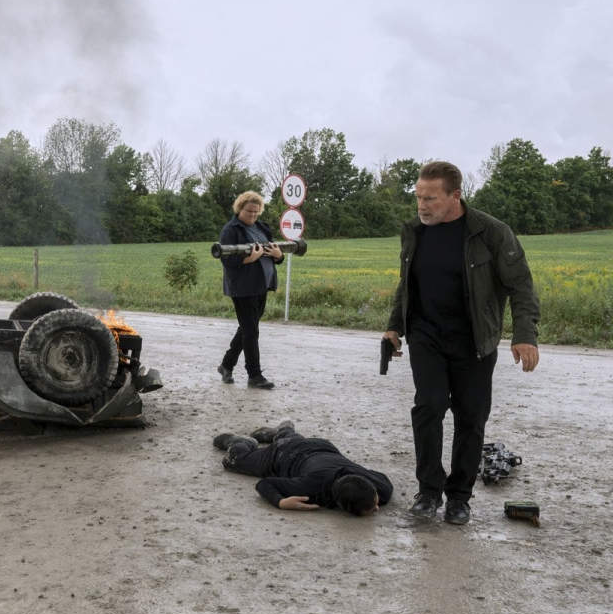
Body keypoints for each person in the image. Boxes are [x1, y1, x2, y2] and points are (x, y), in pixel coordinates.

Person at [383, 161, 540, 525]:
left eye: (431, 198)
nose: (422, 206)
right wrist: (394, 327)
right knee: (429, 406)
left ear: (456, 195)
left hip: (474, 339)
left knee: (471, 416)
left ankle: (459, 497)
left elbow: (521, 286)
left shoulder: (491, 233)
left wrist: (525, 335)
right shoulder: (413, 231)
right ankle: (428, 490)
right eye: (419, 197)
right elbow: (406, 285)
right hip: (426, 334)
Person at [213, 421, 393, 515]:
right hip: (282, 455)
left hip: (321, 445)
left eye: (374, 503)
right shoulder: (310, 488)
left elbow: (379, 476)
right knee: (232, 461)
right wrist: (281, 502)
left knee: (293, 441)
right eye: (373, 507)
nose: (377, 508)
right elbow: (265, 484)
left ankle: (283, 431)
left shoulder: (381, 488)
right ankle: (241, 442)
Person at [216, 191, 285, 389]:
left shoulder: (263, 227)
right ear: (239, 208)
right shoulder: (231, 229)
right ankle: (254, 375)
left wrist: (279, 256)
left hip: (262, 284)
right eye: (249, 211)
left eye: (256, 212)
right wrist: (249, 259)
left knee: (248, 328)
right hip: (243, 286)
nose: (253, 215)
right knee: (251, 331)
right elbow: (226, 260)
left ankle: (226, 365)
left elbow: (274, 254)